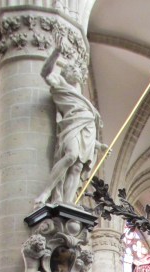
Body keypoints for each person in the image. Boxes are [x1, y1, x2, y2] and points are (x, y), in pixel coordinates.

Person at [35, 36, 107, 206]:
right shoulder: (60, 83)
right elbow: (45, 73)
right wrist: (56, 53)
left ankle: (68, 202)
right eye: (72, 68)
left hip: (86, 131)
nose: (76, 71)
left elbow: (86, 122)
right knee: (71, 156)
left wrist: (98, 145)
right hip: (70, 126)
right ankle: (46, 192)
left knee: (77, 167)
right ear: (65, 71)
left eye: (79, 70)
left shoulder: (84, 100)